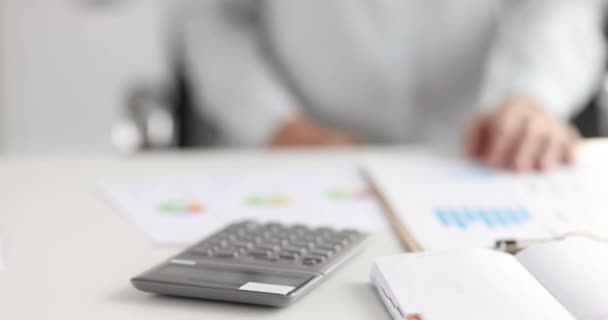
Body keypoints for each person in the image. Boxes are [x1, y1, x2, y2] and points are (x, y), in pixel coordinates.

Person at [179, 0, 606, 171]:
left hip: (479, 158)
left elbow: (558, 6)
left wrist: (530, 94)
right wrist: (275, 125)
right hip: (300, 152)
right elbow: (212, 18)